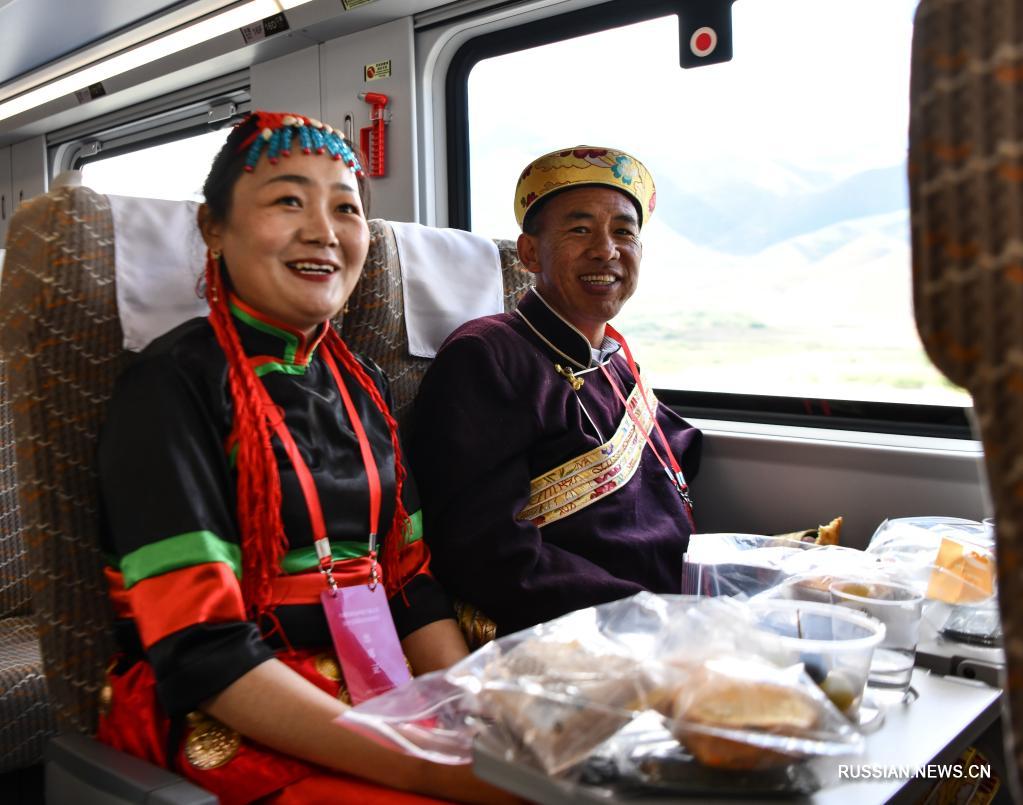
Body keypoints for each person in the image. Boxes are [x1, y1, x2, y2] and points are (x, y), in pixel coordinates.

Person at [96, 111, 513, 804]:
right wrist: (433, 767)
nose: (323, 231)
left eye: (344, 208)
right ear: (213, 228)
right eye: (288, 199)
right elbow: (203, 650)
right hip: (231, 703)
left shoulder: (365, 385)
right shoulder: (170, 386)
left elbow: (408, 585)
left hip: (373, 679)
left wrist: (469, 716)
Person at [411, 147, 702, 636]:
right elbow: (486, 551)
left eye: (624, 232)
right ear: (529, 253)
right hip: (590, 626)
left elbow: (677, 460)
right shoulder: (486, 355)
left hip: (674, 595)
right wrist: (647, 617)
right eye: (580, 229)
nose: (606, 251)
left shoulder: (612, 358)